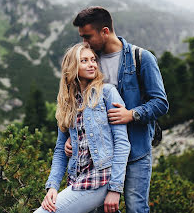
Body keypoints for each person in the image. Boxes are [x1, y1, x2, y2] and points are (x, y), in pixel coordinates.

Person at [67, 6, 169, 213]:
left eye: (88, 37)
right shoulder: (91, 62)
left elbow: (161, 103)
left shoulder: (142, 58)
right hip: (100, 159)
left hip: (136, 153)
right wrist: (74, 136)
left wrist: (131, 114)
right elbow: (80, 104)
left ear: (105, 31)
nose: (84, 44)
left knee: (136, 208)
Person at [34, 42, 130, 213]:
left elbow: (122, 143)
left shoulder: (107, 93)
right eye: (84, 60)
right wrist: (52, 187)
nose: (92, 64)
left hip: (100, 179)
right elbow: (59, 150)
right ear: (72, 67)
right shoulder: (67, 103)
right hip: (77, 179)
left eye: (93, 59)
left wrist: (115, 189)